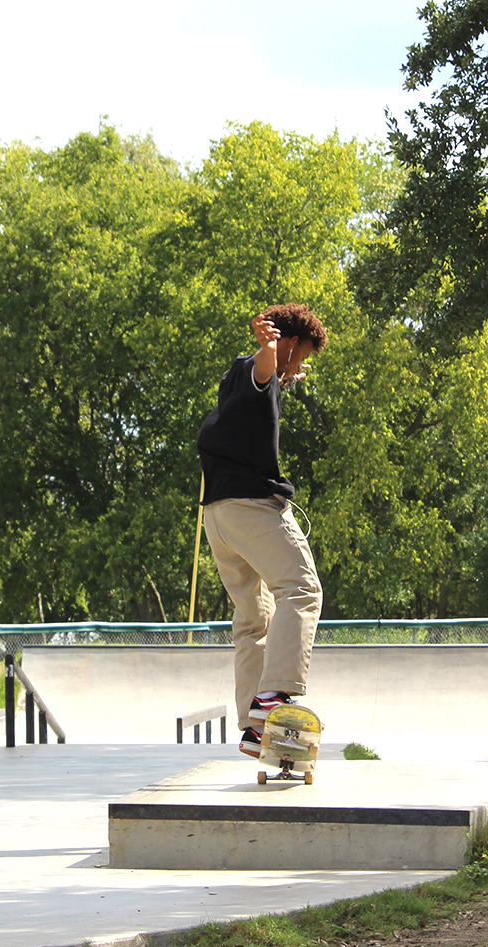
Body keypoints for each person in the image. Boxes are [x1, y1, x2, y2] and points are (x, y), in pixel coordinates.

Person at [197, 303, 328, 756]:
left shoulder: (237, 375)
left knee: (253, 619)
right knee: (302, 589)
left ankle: (254, 728)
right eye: (303, 353)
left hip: (217, 515)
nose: (301, 364)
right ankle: (274, 697)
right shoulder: (263, 363)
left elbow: (261, 381)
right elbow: (266, 367)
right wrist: (273, 354)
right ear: (290, 341)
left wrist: (282, 370)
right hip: (252, 507)